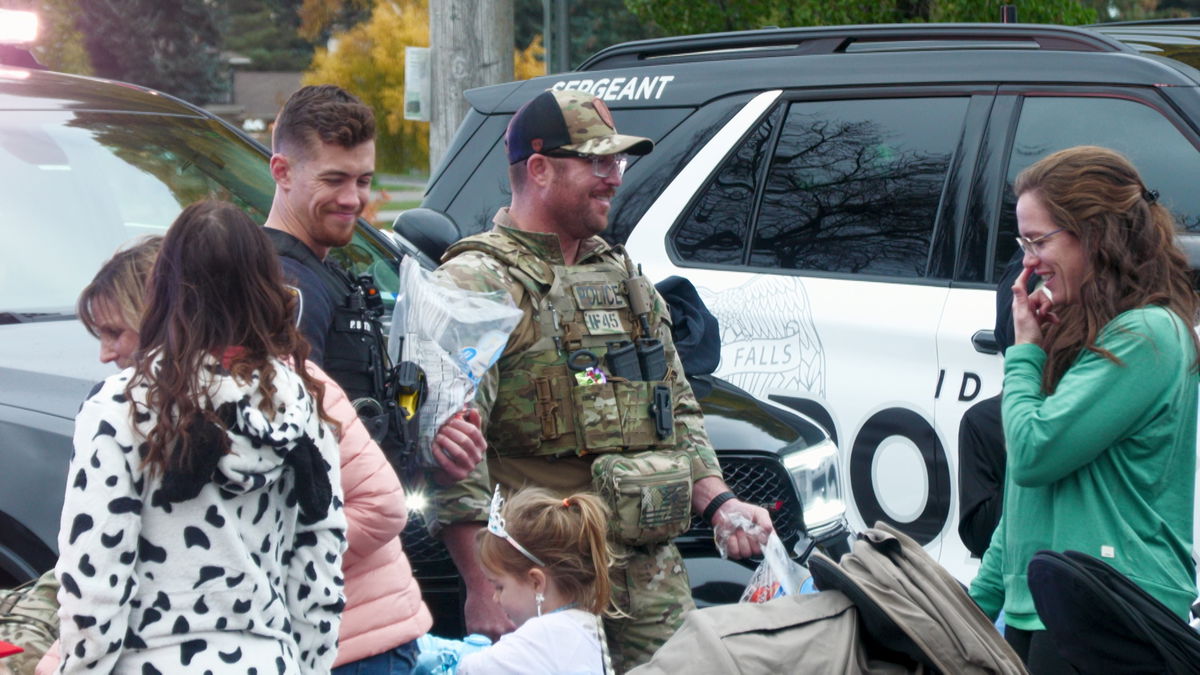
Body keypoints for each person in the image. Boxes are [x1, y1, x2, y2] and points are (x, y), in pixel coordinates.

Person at [433, 88, 774, 671]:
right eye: (596, 161)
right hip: (541, 569)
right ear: (538, 169)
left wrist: (720, 503)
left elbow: (676, 409)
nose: (613, 177)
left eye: (616, 162)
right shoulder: (477, 283)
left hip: (646, 568)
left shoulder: (621, 278)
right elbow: (454, 453)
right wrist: (481, 582)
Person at [44, 225, 435, 674]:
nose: (105, 354)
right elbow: (318, 560)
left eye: (114, 332)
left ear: (156, 309)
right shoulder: (293, 397)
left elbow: (96, 574)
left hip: (346, 640)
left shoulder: (122, 407)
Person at [968, 146, 1200, 673]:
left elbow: (1033, 453)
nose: (1028, 262)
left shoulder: (1148, 334)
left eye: (1038, 240)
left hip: (1112, 608)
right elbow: (1027, 491)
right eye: (1022, 242)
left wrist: (1023, 352)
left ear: (1095, 234)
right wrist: (980, 603)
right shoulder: (1080, 328)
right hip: (1046, 604)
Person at [263, 83, 485, 484]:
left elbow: (357, 422)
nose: (353, 199)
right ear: (282, 172)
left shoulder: (321, 273)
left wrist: (427, 440)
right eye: (334, 180)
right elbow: (287, 449)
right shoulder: (285, 288)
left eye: (363, 181)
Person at [455, 486, 616, 674]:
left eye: (499, 587)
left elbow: (470, 668)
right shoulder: (583, 621)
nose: (495, 598)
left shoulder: (543, 634)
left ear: (536, 582)